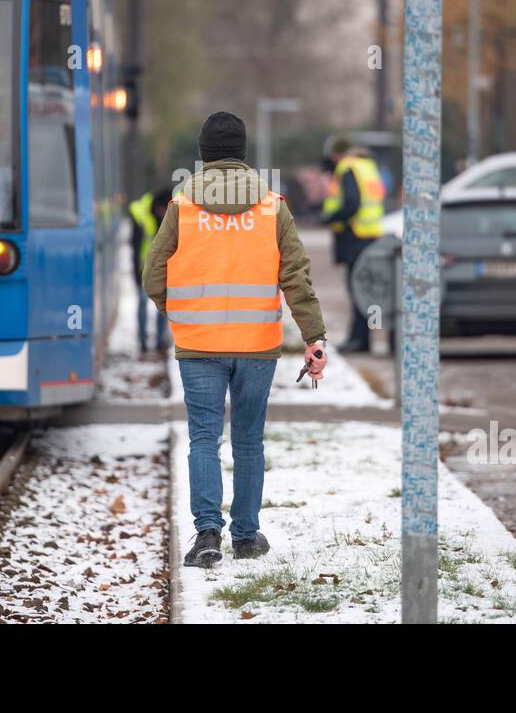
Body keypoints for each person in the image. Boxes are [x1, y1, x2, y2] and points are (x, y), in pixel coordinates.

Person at [143, 112, 327, 567]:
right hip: (257, 346)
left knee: (204, 438)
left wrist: (179, 312)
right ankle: (246, 536)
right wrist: (314, 337)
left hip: (199, 345)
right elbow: (297, 279)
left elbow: (153, 274)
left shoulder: (182, 205)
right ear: (243, 153)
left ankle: (207, 534)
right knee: (248, 440)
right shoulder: (272, 206)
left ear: (203, 154)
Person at [319, 138, 386, 353]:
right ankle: (365, 338)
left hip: (355, 235)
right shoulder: (368, 166)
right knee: (366, 288)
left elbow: (352, 203)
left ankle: (359, 340)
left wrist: (330, 217)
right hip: (371, 234)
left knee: (357, 288)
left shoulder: (348, 167)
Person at [129, 186, 174, 354]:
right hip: (143, 269)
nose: (164, 214)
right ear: (158, 207)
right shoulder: (140, 213)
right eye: (163, 210)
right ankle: (142, 341)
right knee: (142, 303)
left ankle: (160, 341)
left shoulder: (174, 211)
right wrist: (135, 274)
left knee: (163, 305)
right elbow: (134, 247)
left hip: (165, 269)